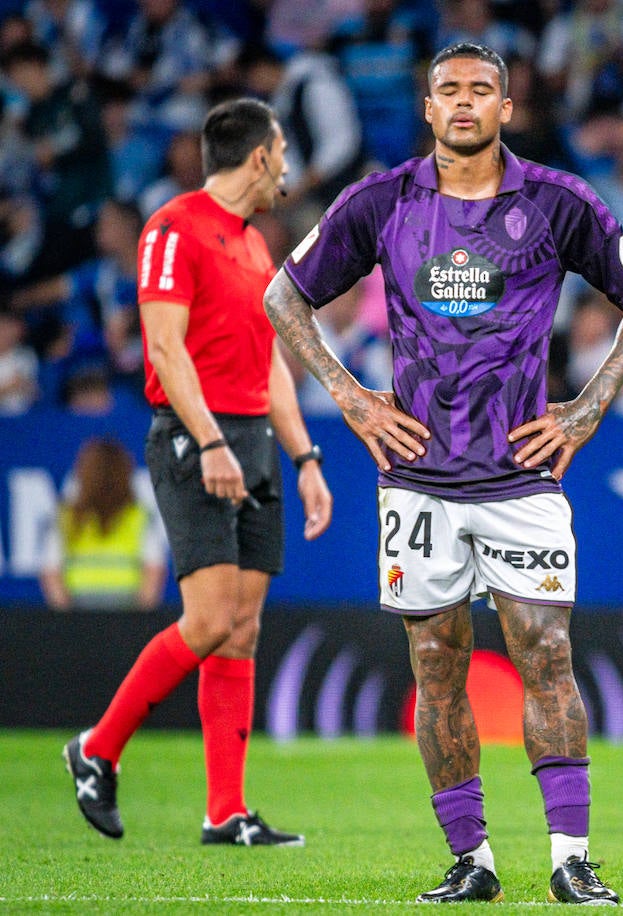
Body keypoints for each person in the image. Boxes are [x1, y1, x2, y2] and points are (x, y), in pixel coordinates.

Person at [263, 43, 623, 904]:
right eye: (447, 89)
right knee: (437, 663)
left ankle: (569, 856)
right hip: (417, 476)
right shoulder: (381, 201)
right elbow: (283, 296)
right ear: (426, 106)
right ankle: (472, 860)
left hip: (521, 474)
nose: (463, 102)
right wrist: (349, 396)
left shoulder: (558, 202)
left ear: (506, 108)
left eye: (481, 90)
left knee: (547, 651)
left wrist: (589, 406)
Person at [62, 97, 334, 847]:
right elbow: (164, 349)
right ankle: (97, 748)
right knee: (210, 618)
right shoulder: (171, 227)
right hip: (196, 437)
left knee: (241, 630)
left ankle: (225, 812)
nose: (287, 163)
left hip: (253, 442)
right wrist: (210, 441)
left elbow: (272, 364)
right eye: (281, 149)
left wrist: (305, 457)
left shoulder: (255, 248)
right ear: (257, 156)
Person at [39, 436, 167, 611]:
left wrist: (66, 620)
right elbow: (153, 572)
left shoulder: (65, 517)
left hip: (84, 612)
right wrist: (139, 620)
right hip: (124, 612)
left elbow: (51, 572)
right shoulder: (139, 517)